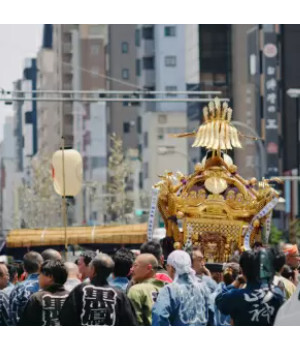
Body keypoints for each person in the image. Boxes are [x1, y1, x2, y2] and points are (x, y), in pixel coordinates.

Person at [60, 253, 137, 326]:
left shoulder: (80, 290)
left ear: (93, 270)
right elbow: (129, 321)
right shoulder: (119, 294)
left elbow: (65, 317)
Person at [215, 250, 284, 326]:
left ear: (241, 270)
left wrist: (237, 281)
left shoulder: (235, 296)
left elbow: (218, 300)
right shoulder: (277, 294)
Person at [152, 250, 212, 326]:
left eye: (167, 266)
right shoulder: (204, 287)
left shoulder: (169, 290)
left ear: (171, 268)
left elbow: (159, 316)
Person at [19, 260, 69, 326]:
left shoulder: (37, 298)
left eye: (40, 274)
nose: (38, 277)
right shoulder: (71, 296)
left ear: (50, 277)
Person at [127, 253, 166, 325]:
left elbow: (133, 322)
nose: (132, 269)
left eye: (135, 265)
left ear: (148, 268)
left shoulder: (136, 290)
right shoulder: (166, 289)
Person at [9, 251, 43, 325]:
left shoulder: (17, 289)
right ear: (42, 266)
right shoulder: (48, 286)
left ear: (24, 268)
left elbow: (13, 316)